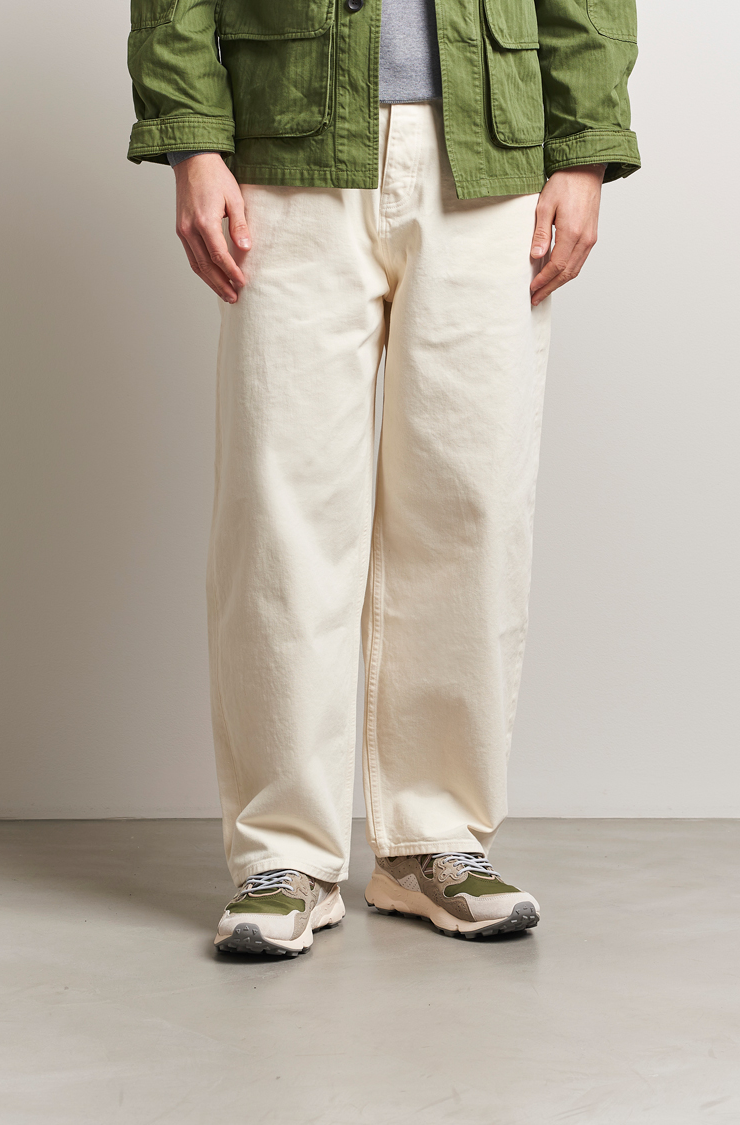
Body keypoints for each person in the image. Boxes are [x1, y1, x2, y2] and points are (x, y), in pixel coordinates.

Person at [126, 0, 639, 956]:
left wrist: (585, 150)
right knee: (283, 514)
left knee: (468, 503)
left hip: (490, 144)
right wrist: (192, 139)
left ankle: (432, 840)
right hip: (288, 136)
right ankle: (285, 855)